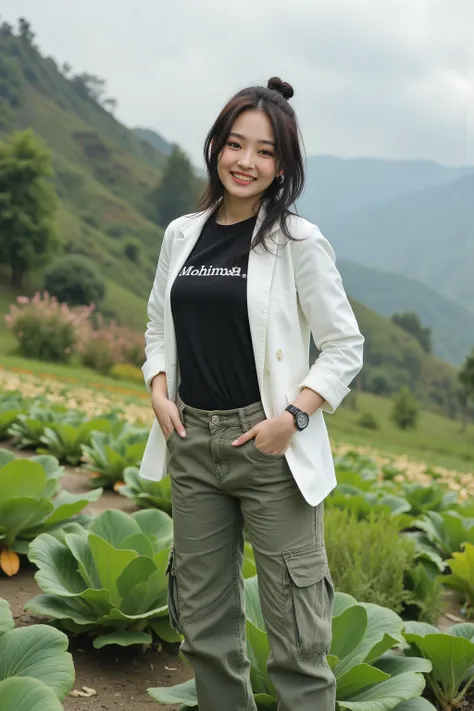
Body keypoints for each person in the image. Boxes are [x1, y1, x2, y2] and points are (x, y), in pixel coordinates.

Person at [139, 76, 364, 711]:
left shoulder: (297, 242)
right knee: (205, 632)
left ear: (283, 165)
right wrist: (159, 387)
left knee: (297, 639)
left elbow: (344, 346)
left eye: (264, 152)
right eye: (236, 145)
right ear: (216, 148)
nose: (246, 162)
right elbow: (159, 324)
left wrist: (292, 416)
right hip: (192, 444)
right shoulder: (182, 234)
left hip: (270, 451)